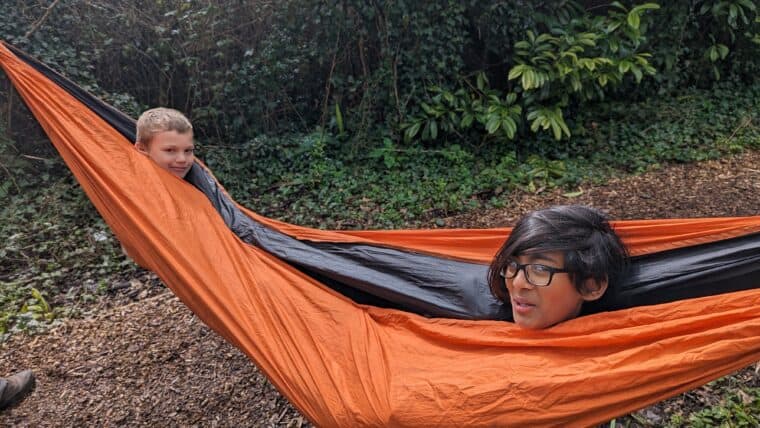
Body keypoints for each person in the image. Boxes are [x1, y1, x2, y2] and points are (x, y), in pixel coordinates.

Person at [488, 205, 628, 329]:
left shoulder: (617, 352)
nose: (517, 283)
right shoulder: (478, 327)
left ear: (591, 285)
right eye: (511, 264)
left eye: (540, 269)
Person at [134, 107, 195, 179]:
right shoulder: (130, 185)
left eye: (188, 150)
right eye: (170, 150)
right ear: (142, 149)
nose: (182, 159)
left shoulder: (201, 184)